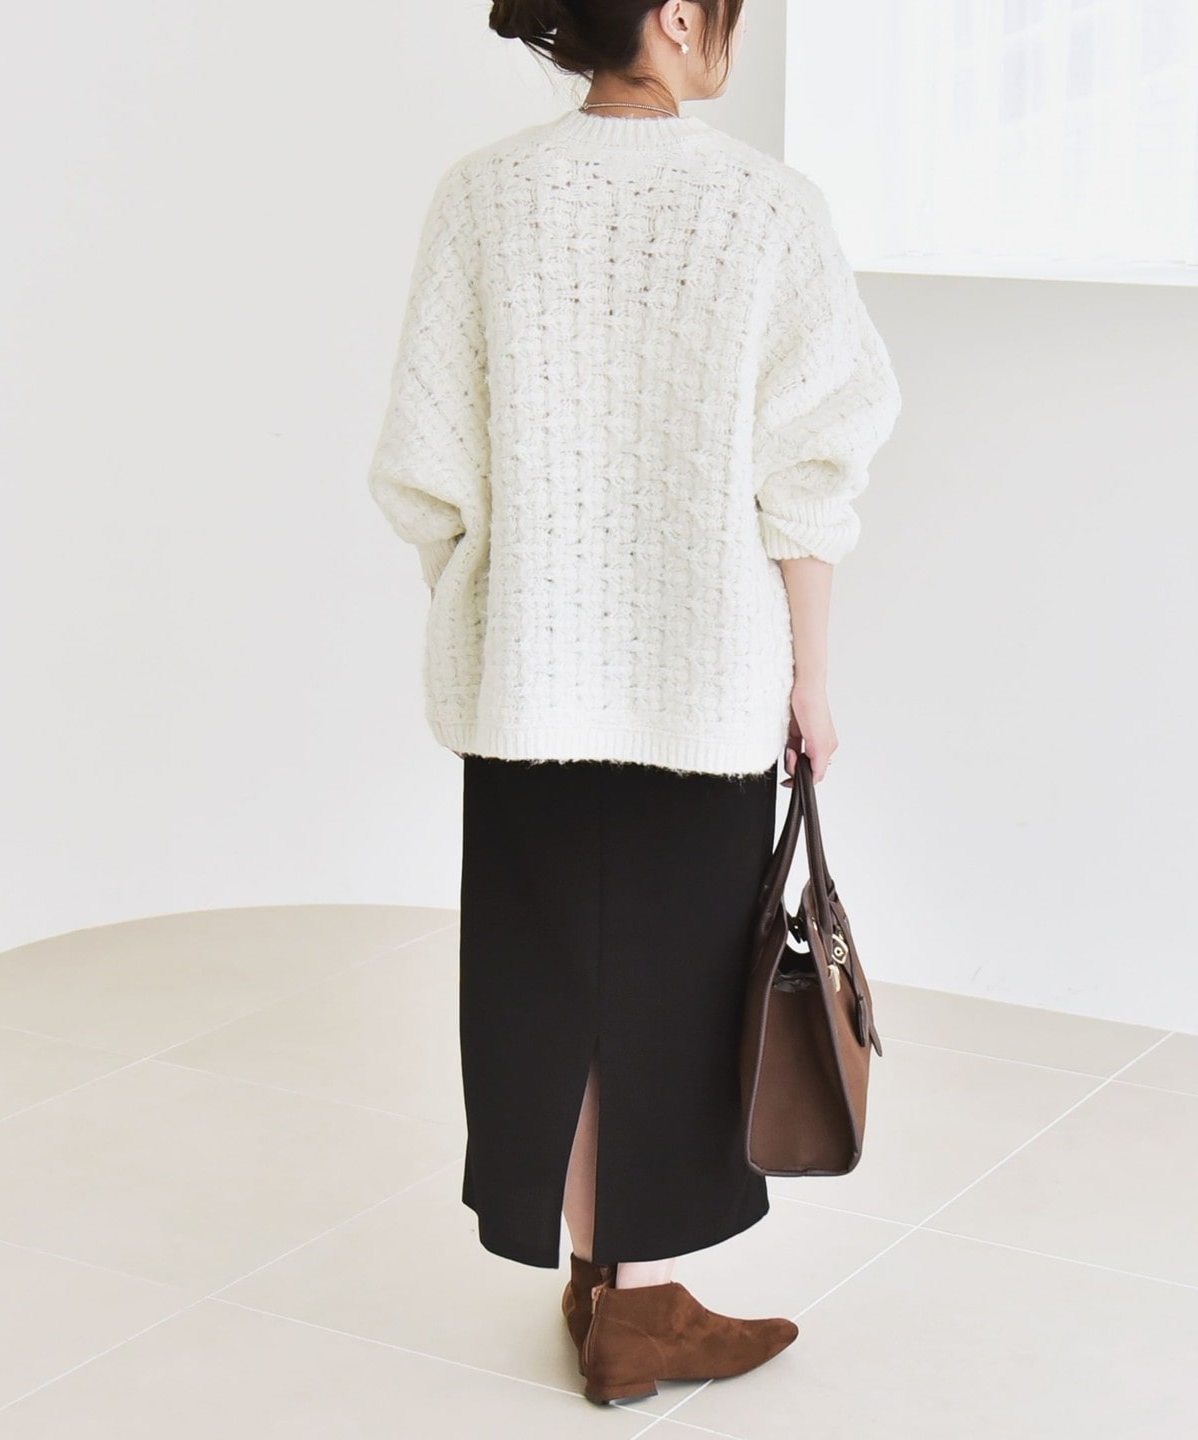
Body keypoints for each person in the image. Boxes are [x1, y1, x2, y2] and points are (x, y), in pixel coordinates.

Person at [365, 0, 901, 1408]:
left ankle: (601, 1281)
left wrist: (505, 607)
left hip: (527, 685)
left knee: (548, 983)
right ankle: (641, 1308)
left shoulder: (483, 199)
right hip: (703, 682)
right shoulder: (766, 209)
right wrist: (810, 676)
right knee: (678, 986)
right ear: (672, 15)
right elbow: (810, 477)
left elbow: (427, 468)